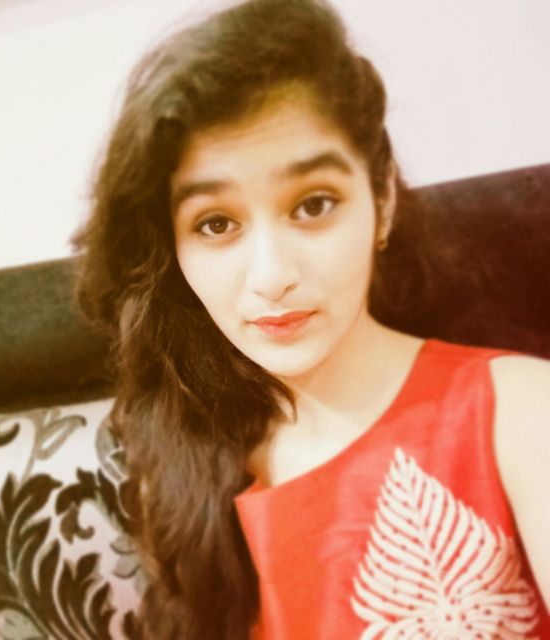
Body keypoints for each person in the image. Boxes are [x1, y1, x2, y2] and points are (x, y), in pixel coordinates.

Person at [73, 0, 550, 637]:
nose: (272, 274)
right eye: (215, 224)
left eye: (314, 204)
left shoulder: (520, 415)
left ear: (381, 200)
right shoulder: (185, 470)